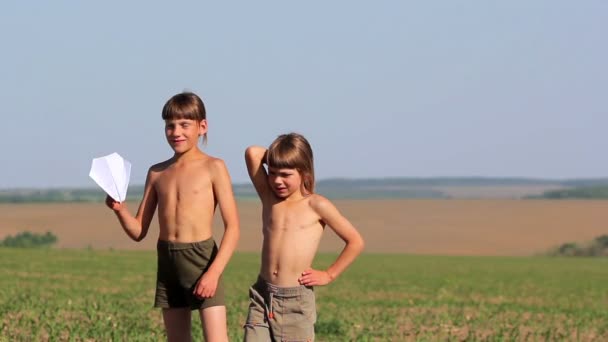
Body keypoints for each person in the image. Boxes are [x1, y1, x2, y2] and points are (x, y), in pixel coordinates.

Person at [106, 92, 240, 342]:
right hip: (167, 259)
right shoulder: (156, 173)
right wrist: (119, 210)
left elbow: (233, 227)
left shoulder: (215, 167)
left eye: (184, 125)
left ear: (202, 126)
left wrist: (213, 273)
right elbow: (138, 231)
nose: (176, 132)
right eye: (170, 126)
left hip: (202, 259)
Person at [243, 132, 365, 341]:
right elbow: (252, 153)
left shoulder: (317, 205)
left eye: (285, 174)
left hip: (295, 302)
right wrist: (279, 155)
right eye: (272, 173)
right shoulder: (269, 197)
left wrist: (329, 275)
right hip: (262, 296)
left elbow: (355, 241)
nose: (277, 181)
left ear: (304, 171)